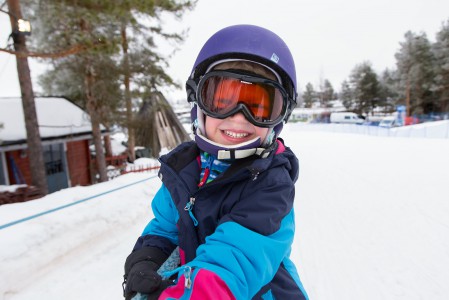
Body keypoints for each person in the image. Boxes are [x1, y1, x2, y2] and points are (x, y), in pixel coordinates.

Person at [123, 24, 309, 300]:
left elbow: (230, 266)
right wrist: (148, 256)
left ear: (278, 118)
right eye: (223, 100)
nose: (239, 117)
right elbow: (165, 227)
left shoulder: (270, 186)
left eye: (258, 106)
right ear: (199, 103)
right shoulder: (185, 172)